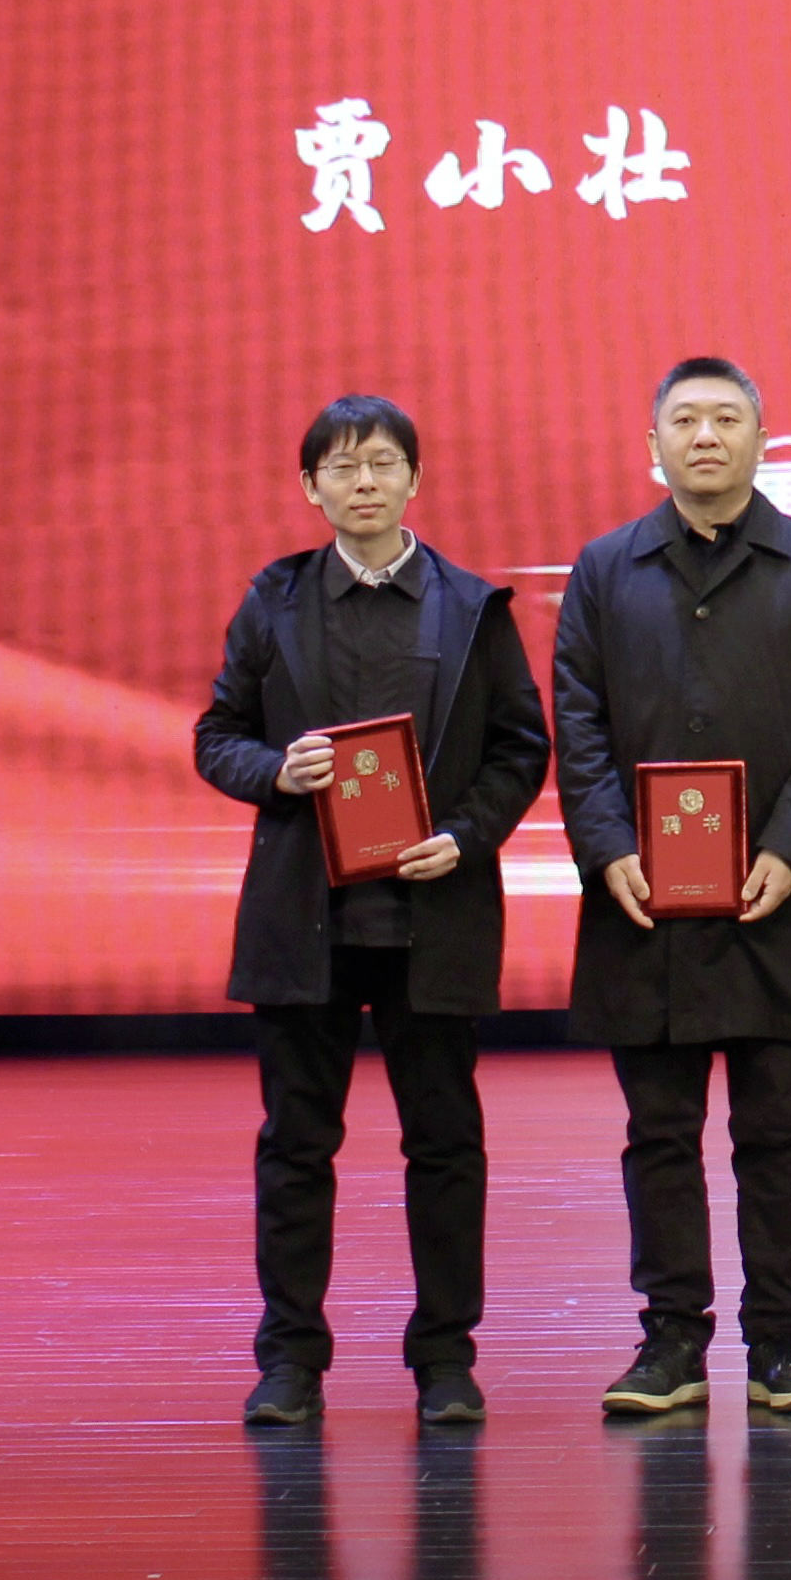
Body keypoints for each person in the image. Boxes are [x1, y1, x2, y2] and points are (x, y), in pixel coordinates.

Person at [194, 394, 550, 1427]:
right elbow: (217, 734)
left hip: (429, 917)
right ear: (311, 487)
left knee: (444, 1145)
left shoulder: (471, 607)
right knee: (296, 1145)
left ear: (414, 480)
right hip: (306, 917)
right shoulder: (273, 599)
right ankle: (290, 1361)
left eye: (383, 462)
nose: (364, 481)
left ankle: (445, 1358)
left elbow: (520, 748)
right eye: (342, 467)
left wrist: (467, 835)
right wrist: (275, 769)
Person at [553, 357, 791, 1419]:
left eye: (726, 418)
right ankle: (670, 1343)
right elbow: (577, 718)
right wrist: (607, 845)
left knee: (778, 1134)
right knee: (659, 1132)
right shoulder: (606, 568)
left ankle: (781, 1345)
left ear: (759, 441)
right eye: (684, 419)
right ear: (654, 444)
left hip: (777, 897)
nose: (705, 435)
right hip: (641, 901)